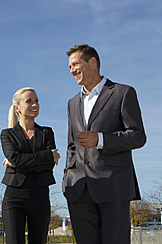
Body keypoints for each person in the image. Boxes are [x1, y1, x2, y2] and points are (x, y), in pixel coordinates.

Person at [62, 44, 146, 244]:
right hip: (79, 190)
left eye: (75, 64)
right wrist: (67, 177)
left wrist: (100, 139)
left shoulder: (123, 93)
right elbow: (71, 145)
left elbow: (137, 136)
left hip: (113, 186)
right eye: (69, 67)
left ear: (92, 62)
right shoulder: (72, 103)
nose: (72, 70)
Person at [0, 87, 60, 244]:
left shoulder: (47, 132)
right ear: (17, 108)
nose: (35, 104)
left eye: (37, 101)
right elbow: (19, 159)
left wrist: (18, 162)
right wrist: (47, 155)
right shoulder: (7, 134)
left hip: (40, 196)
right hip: (14, 197)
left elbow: (48, 166)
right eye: (29, 101)